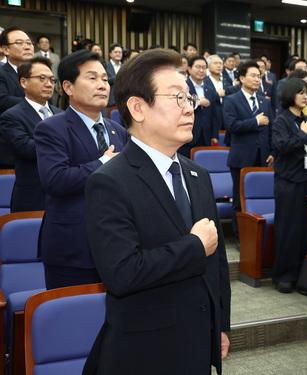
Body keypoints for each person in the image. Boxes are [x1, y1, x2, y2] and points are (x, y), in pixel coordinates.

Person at [82, 48, 231, 375]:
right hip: (145, 349)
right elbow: (122, 273)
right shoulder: (108, 182)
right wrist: (192, 246)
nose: (189, 107)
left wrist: (220, 325)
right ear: (138, 108)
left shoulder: (197, 174)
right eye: (177, 97)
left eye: (189, 98)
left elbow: (216, 263)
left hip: (196, 339)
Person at [35, 50, 128, 289]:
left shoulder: (117, 129)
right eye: (92, 78)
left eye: (105, 80)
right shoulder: (51, 129)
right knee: (72, 320)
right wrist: (102, 163)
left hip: (116, 244)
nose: (102, 85)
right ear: (68, 87)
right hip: (73, 248)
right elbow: (55, 180)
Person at [272, 77, 307, 293]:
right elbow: (282, 147)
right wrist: (302, 134)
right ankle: (284, 275)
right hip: (288, 182)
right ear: (290, 95)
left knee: (306, 230)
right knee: (288, 230)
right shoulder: (281, 121)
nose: (305, 96)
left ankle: (304, 278)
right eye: (301, 92)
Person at [0, 57, 61, 211]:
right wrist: (65, 143)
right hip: (33, 198)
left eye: (52, 80)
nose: (49, 84)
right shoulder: (11, 116)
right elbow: (27, 148)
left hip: (63, 196)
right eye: (42, 78)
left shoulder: (61, 114)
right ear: (23, 82)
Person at [223, 61, 274, 238]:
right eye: (252, 75)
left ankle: (257, 235)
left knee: (259, 197)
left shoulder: (264, 101)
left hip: (263, 157)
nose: (256, 79)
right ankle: (241, 237)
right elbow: (231, 126)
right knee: (239, 200)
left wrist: (272, 152)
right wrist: (255, 122)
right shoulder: (231, 100)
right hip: (241, 157)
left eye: (259, 76)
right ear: (242, 78)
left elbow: (270, 127)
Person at [0, 27, 35, 168]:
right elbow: (2, 100)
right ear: (5, 50)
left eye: (29, 43)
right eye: (19, 43)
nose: (26, 46)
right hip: (10, 148)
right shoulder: (2, 74)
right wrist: (34, 104)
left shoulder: (41, 74)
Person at [182, 55, 219, 155]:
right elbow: (179, 105)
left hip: (206, 136)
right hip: (187, 136)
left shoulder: (210, 89)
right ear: (189, 69)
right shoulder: (182, 86)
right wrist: (197, 102)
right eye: (198, 67)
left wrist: (214, 135)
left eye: (204, 67)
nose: (201, 70)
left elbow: (214, 115)